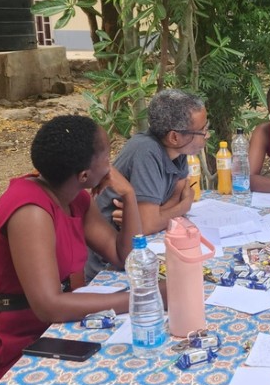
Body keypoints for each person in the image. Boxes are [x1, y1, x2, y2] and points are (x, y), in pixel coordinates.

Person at [0, 115, 142, 385]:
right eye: (107, 157)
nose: (111, 163)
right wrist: (137, 299)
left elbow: (124, 258)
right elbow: (48, 306)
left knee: (137, 360)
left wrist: (129, 196)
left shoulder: (75, 198)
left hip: (52, 328)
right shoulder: (30, 211)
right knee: (126, 374)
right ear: (84, 175)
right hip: (10, 345)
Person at [84, 89, 208, 279]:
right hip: (109, 264)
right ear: (174, 137)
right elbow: (150, 223)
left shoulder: (180, 151)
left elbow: (176, 196)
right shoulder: (146, 151)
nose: (206, 135)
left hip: (136, 248)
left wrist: (158, 214)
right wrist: (183, 206)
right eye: (202, 131)